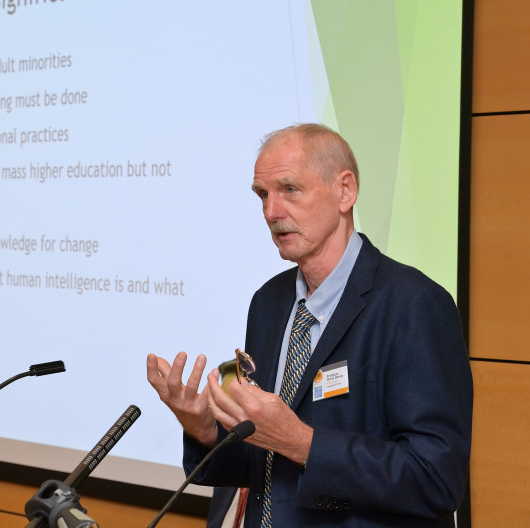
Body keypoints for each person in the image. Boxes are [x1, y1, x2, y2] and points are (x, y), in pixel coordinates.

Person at [146, 124, 472, 527]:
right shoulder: (268, 303)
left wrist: (302, 442)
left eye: (290, 190)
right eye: (263, 195)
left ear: (345, 191)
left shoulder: (413, 305)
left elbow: (436, 478)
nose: (271, 212)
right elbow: (266, 467)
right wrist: (205, 430)